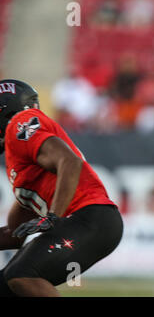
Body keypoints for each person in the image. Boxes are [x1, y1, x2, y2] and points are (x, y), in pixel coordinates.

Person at [0, 79, 123, 297]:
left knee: (21, 275)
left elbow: (70, 161)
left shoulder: (20, 122)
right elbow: (14, 235)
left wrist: (53, 216)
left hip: (90, 217)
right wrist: (51, 217)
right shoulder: (20, 161)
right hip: (84, 221)